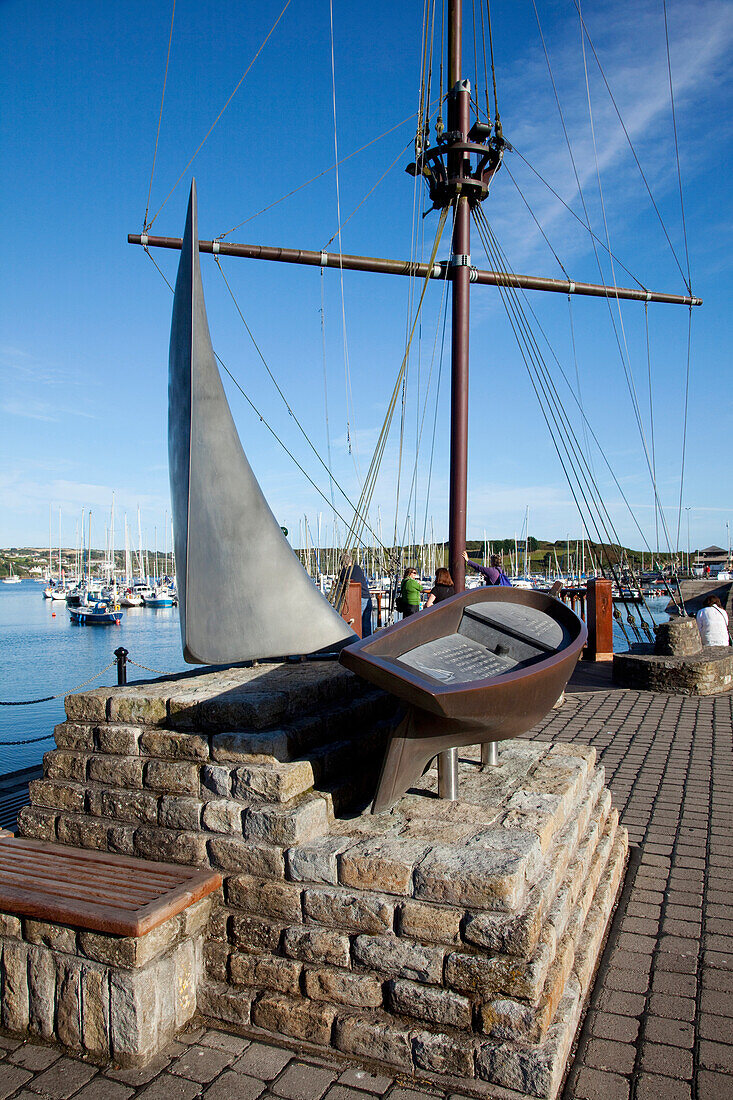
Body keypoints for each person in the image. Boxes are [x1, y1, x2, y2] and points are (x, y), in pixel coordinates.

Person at [337, 552, 373, 637]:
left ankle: (358, 644)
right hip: (367, 597)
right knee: (366, 624)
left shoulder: (343, 572)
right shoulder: (357, 568)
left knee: (357, 624)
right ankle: (367, 642)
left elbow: (341, 580)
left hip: (359, 599)